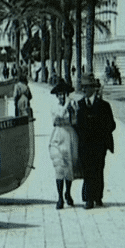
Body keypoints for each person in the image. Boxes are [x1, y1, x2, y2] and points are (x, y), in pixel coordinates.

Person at [75, 74, 116, 209]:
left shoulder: (104, 105)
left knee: (98, 170)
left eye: (87, 87)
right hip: (85, 145)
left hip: (99, 144)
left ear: (94, 88)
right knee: (87, 171)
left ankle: (98, 197)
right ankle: (88, 199)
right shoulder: (79, 105)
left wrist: (101, 130)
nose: (84, 90)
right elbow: (77, 125)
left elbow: (112, 125)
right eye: (83, 87)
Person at [48, 79, 81, 209]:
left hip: (70, 136)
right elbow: (57, 119)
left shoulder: (71, 107)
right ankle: (60, 197)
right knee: (59, 166)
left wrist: (73, 110)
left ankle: (68, 193)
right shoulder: (54, 107)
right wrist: (66, 105)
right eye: (60, 94)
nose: (62, 96)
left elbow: (74, 121)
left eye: (64, 94)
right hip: (58, 135)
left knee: (69, 166)